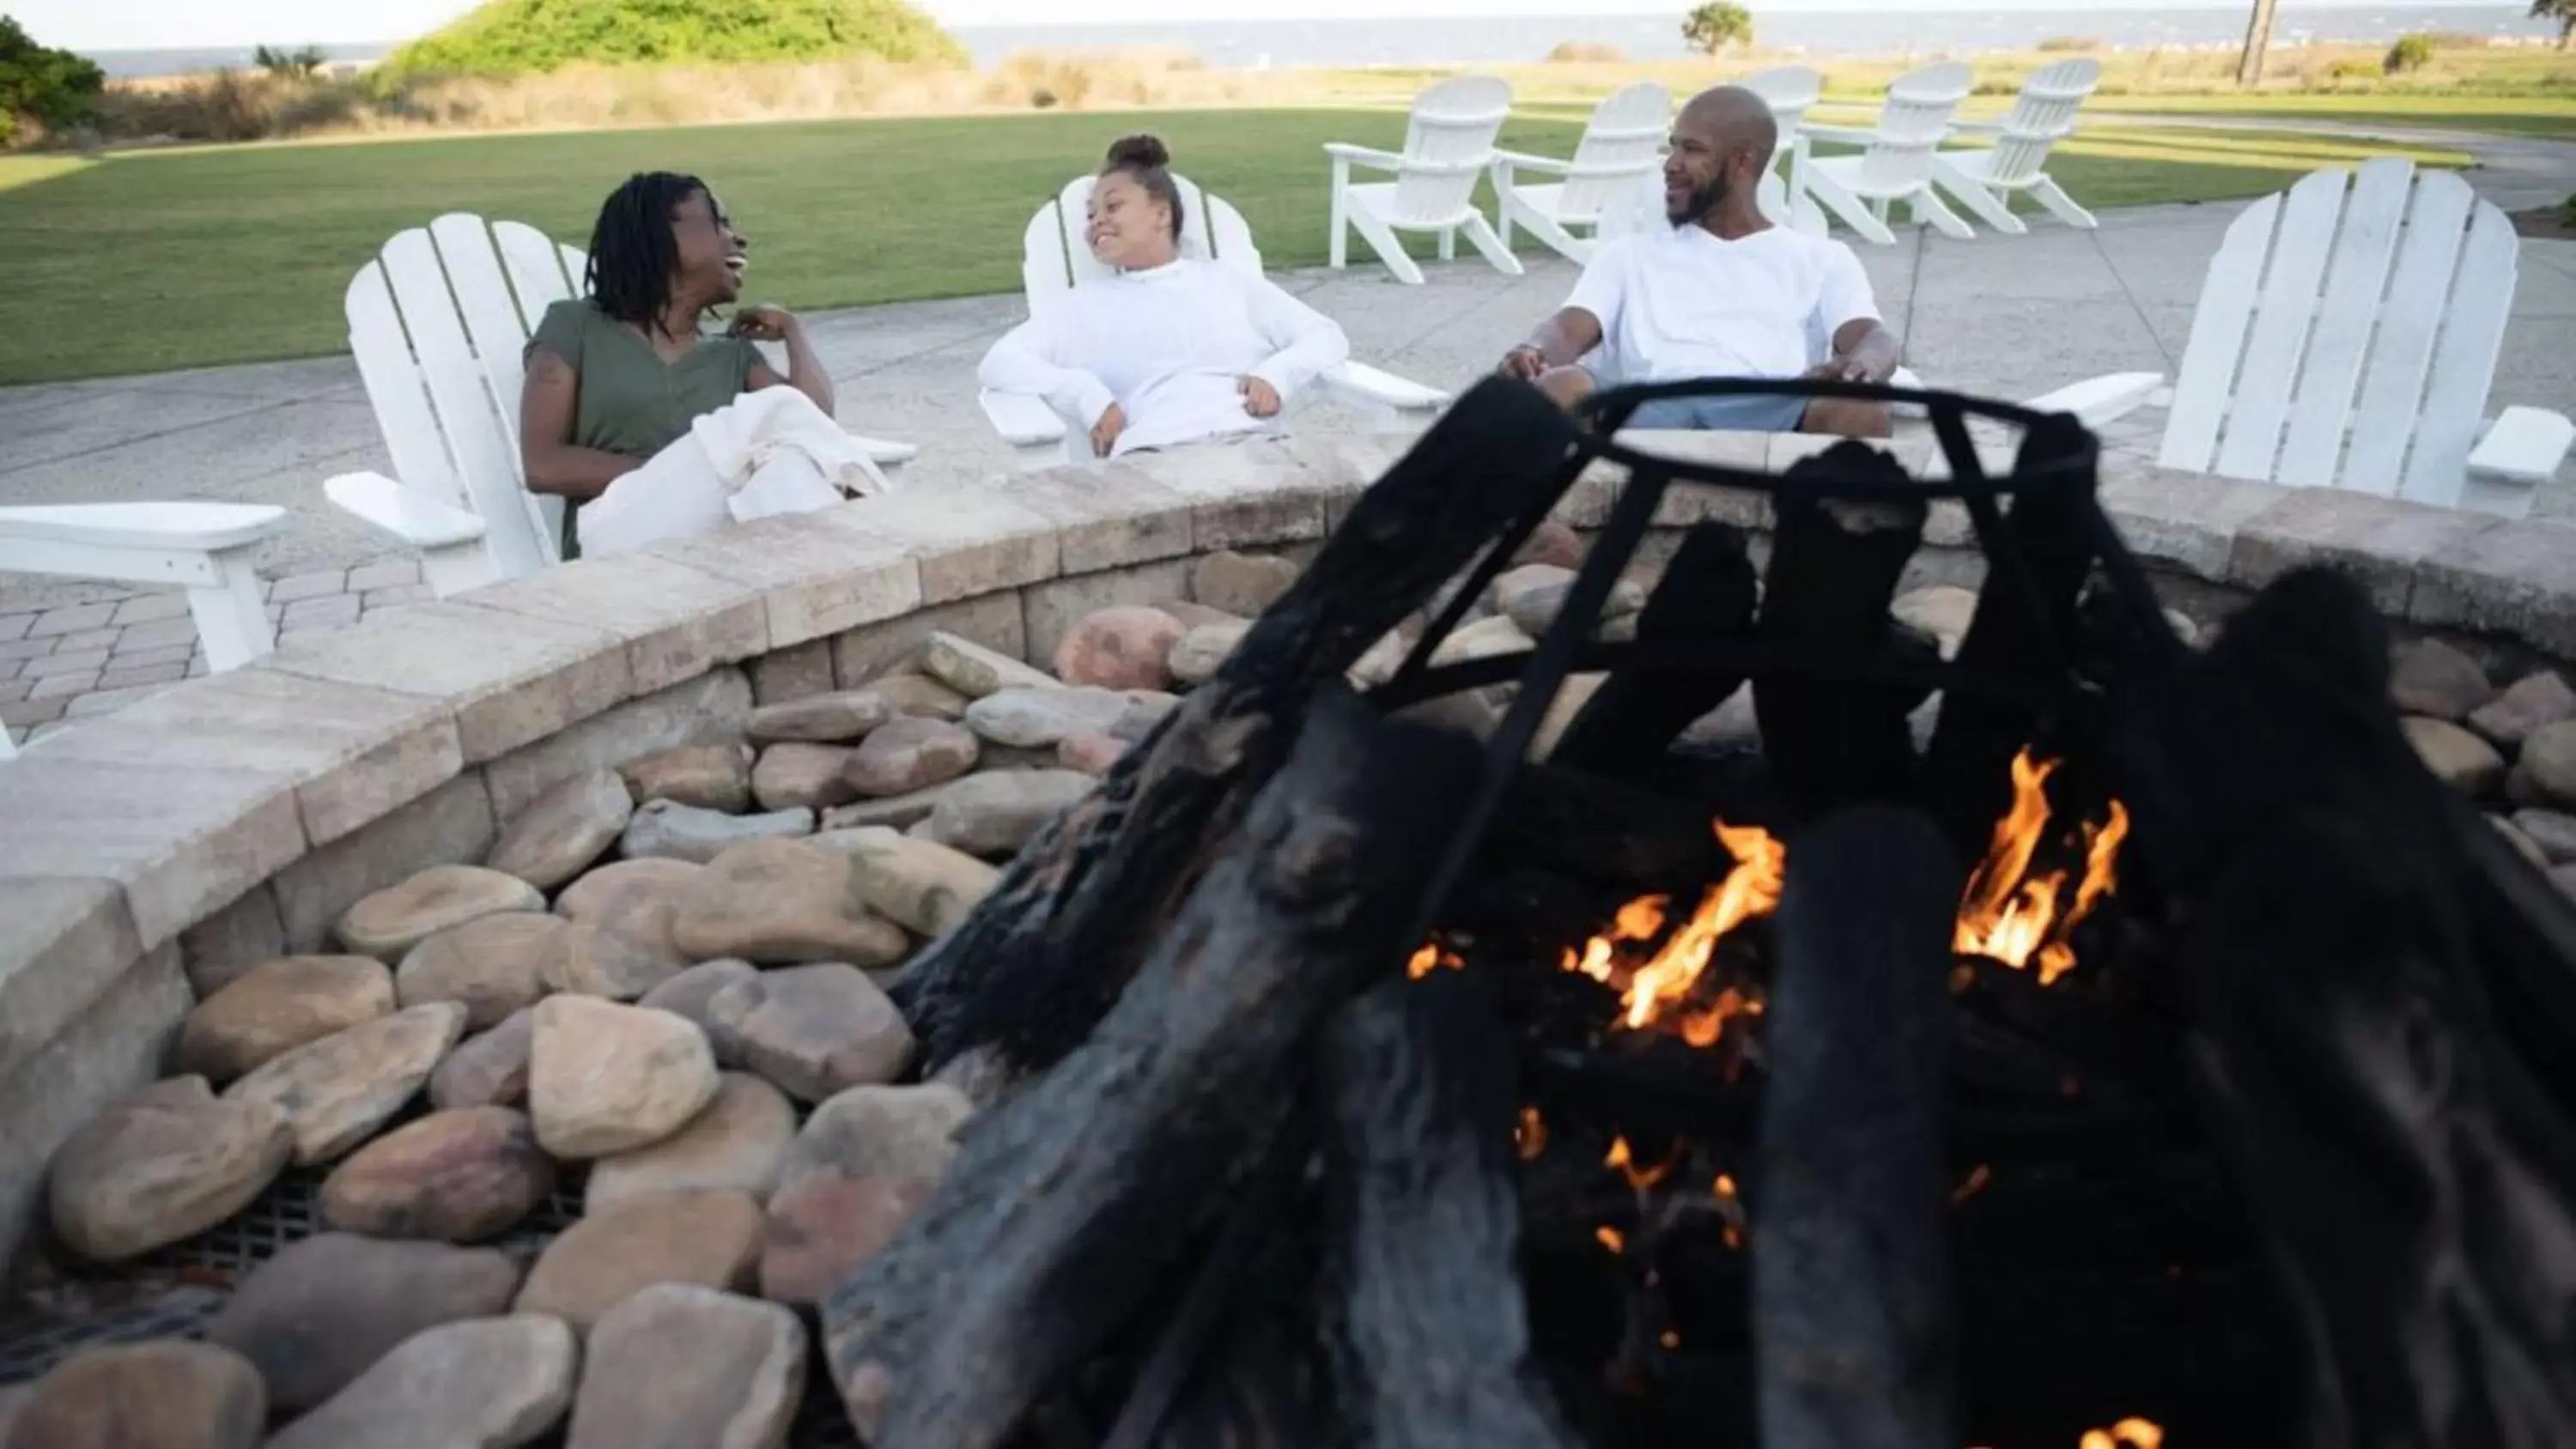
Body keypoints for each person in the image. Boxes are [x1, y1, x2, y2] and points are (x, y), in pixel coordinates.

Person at [1498, 86, 1901, 439]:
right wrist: (1536, 350)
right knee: (1559, 386)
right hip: (1646, 406)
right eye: (1673, 147)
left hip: (1769, 408)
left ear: (1743, 161)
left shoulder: (1820, 259)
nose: (1671, 164)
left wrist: (1859, 369)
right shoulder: (1629, 254)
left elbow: (1873, 337)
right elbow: (1567, 331)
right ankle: (1547, 528)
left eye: (1691, 150)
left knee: (1863, 411)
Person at [520, 172, 838, 556]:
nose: (737, 238)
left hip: (715, 543)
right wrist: (677, 476)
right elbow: (543, 464)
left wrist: (793, 331)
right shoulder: (575, 327)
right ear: (658, 233)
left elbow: (816, 430)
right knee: (776, 427)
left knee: (791, 453)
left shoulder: (731, 355)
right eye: (718, 222)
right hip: (614, 542)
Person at [979, 134, 1352, 459]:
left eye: (1113, 206)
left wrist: (1278, 375)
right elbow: (1000, 362)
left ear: (1160, 214)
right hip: (1152, 460)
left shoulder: (1228, 284)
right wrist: (1085, 395)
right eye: (1090, 215)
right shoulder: (1081, 306)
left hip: (1257, 447)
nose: (1095, 222)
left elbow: (1324, 336)